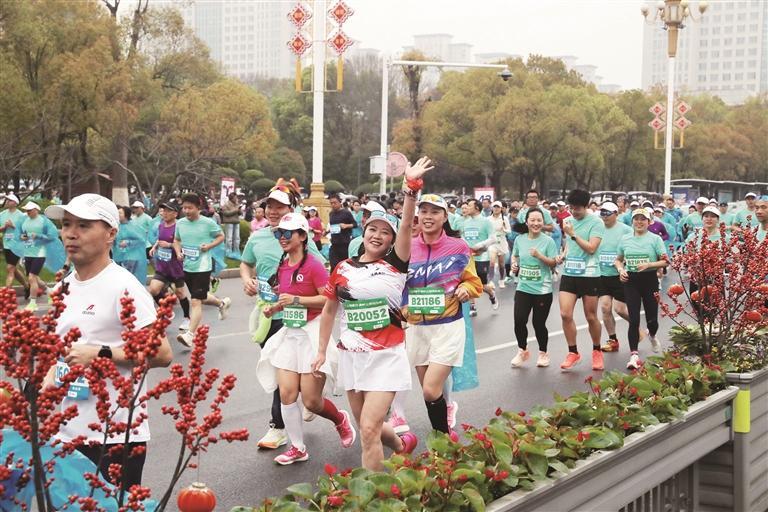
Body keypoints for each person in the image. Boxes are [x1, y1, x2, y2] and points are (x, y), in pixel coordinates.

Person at [43, 193, 172, 488]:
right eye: (66, 224)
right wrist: (47, 380)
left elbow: (162, 353)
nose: (71, 233)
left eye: (84, 225)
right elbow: (60, 351)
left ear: (111, 234)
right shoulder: (63, 288)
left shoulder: (124, 286)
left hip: (115, 435)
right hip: (68, 431)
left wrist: (100, 354)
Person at [312, 157, 433, 471]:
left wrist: (412, 188)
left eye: (385, 232)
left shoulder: (395, 266)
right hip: (352, 356)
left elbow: (407, 223)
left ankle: (374, 497)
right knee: (372, 429)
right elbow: (328, 311)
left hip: (385, 356)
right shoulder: (342, 269)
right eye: (372, 229)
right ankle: (399, 443)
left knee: (367, 429)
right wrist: (322, 350)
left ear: (392, 240)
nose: (378, 235)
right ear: (364, 233)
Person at [255, 213, 355, 465]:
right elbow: (286, 298)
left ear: (302, 236)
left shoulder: (314, 265)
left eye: (287, 233)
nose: (282, 238)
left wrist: (297, 300)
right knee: (287, 393)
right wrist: (275, 308)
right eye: (279, 233)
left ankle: (340, 419)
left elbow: (327, 298)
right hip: (290, 334)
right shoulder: (283, 265)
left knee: (312, 400)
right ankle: (298, 447)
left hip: (312, 332)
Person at [240, 182, 325, 450]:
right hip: (268, 311)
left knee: (285, 370)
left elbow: (320, 276)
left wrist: (300, 297)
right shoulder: (258, 237)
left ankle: (278, 426)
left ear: (291, 209)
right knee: (281, 371)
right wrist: (246, 280)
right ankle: (299, 405)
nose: (273, 211)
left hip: (298, 315)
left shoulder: (301, 240)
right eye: (269, 206)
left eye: (280, 206)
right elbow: (245, 263)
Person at [403, 194, 482, 438]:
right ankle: (444, 439)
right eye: (424, 211)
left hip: (448, 327)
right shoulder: (408, 247)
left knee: (430, 389)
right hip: (417, 328)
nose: (428, 217)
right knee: (430, 393)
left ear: (445, 216)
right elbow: (398, 284)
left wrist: (466, 290)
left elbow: (474, 282)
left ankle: (444, 438)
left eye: (435, 212)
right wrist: (403, 306)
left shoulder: (458, 248)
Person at [173, 193, 231, 348]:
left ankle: (190, 335)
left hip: (203, 267)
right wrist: (178, 252)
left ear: (198, 208)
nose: (186, 211)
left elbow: (221, 236)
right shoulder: (181, 223)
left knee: (195, 301)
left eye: (190, 208)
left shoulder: (208, 223)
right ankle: (221, 303)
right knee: (202, 296)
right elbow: (177, 240)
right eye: (184, 208)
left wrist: (209, 246)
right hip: (188, 266)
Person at [557, 189, 606, 371]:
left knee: (591, 316)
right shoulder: (568, 221)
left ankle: (597, 350)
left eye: (578, 208)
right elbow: (570, 245)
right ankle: (573, 352)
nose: (574, 211)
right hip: (570, 272)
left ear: (586, 206)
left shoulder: (596, 222)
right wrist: (563, 254)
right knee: (565, 314)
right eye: (571, 208)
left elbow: (592, 248)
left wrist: (572, 234)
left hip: (590, 274)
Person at [615, 208, 668, 369]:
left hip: (650, 279)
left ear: (649, 222)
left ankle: (651, 335)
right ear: (632, 222)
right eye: (636, 219)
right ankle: (634, 356)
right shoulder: (625, 239)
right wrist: (620, 270)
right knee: (634, 319)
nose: (639, 222)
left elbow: (665, 261)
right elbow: (618, 260)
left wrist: (649, 265)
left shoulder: (655, 239)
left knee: (652, 320)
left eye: (642, 219)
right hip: (631, 281)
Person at [509, 208, 558, 368]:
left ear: (543, 222)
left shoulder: (548, 241)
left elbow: (553, 263)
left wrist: (540, 256)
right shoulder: (520, 239)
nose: (536, 223)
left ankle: (543, 353)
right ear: (527, 221)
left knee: (538, 323)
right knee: (519, 320)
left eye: (539, 220)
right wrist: (515, 264)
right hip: (523, 287)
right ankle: (522, 350)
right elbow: (515, 255)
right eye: (533, 220)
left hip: (542, 290)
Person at [149, 201, 191, 332]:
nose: (164, 213)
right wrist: (154, 247)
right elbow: (159, 239)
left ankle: (187, 318)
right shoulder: (161, 225)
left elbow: (183, 243)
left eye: (168, 211)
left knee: (180, 293)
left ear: (175, 213)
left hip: (175, 266)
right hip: (162, 265)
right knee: (154, 290)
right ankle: (167, 311)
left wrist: (169, 245)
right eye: (163, 210)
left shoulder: (180, 226)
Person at [596, 202, 633, 353]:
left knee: (620, 310)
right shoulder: (597, 229)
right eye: (602, 213)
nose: (604, 216)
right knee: (605, 308)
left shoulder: (626, 230)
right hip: (602, 274)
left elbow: (634, 247)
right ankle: (613, 341)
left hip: (619, 274)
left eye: (607, 213)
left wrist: (625, 261)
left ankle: (637, 326)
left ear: (616, 214)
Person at [460, 199, 498, 316]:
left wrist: (480, 246)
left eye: (469, 206)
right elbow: (462, 237)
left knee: (481, 285)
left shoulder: (485, 222)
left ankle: (492, 295)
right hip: (468, 258)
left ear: (477, 208)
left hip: (482, 257)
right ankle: (473, 306)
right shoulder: (465, 222)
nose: (466, 207)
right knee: (469, 281)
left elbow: (493, 238)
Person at [19, 202, 59, 311]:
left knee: (31, 277)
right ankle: (52, 292)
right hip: (28, 253)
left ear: (36, 210)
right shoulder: (25, 221)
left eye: (30, 210)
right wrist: (23, 237)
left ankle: (33, 303)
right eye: (26, 210)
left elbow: (52, 236)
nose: (27, 212)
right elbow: (23, 235)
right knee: (35, 278)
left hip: (40, 253)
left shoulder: (44, 221)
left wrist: (38, 236)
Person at [113, 206, 148, 285]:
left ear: (126, 215)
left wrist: (128, 242)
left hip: (132, 257)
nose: (118, 214)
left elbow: (142, 240)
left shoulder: (134, 225)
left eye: (120, 213)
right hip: (119, 256)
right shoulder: (116, 226)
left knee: (129, 278)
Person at [0, 193, 28, 290]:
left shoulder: (21, 216)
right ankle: (26, 286)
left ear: (15, 203)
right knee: (13, 269)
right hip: (7, 245)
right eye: (7, 200)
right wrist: (4, 227)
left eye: (10, 200)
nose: (7, 201)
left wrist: (13, 226)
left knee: (10, 268)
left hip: (18, 245)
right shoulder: (2, 214)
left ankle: (7, 293)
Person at [327, 194, 357, 271]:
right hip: (334, 243)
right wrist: (327, 231)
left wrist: (346, 226)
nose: (333, 205)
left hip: (344, 243)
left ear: (340, 202)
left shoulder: (346, 213)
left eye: (335, 202)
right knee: (333, 266)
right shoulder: (331, 214)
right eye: (331, 203)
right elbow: (333, 226)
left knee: (344, 266)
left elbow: (355, 224)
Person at [487, 201, 511, 288]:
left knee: (501, 265)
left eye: (498, 207)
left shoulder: (505, 219)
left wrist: (504, 229)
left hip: (502, 243)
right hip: (492, 244)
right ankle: (490, 281)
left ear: (501, 209)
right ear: (492, 208)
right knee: (492, 263)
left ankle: (501, 279)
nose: (496, 209)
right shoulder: (488, 219)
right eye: (494, 207)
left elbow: (509, 231)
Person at [220, 192, 242, 259]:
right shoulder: (225, 205)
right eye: (235, 197)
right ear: (231, 198)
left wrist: (239, 210)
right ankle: (228, 251)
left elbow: (239, 214)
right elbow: (226, 213)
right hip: (229, 222)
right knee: (229, 238)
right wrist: (236, 210)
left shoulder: (237, 204)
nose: (236, 199)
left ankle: (236, 251)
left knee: (237, 238)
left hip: (236, 222)